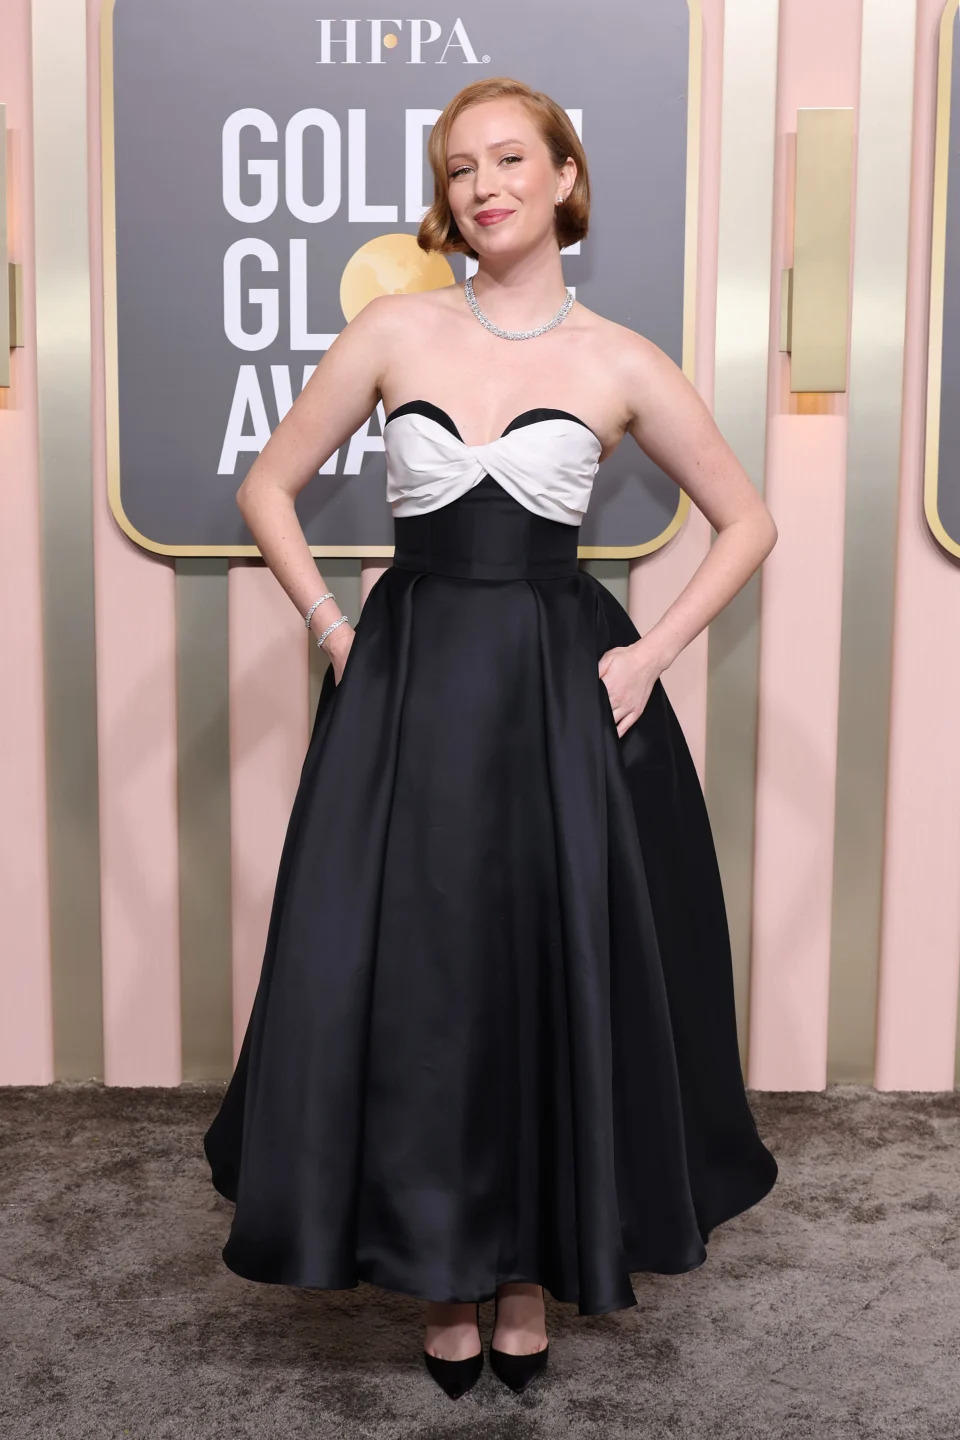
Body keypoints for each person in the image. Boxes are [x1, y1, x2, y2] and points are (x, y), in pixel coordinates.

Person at [203, 75, 780, 1402]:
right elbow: (267, 483)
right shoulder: (396, 332)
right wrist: (331, 625)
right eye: (461, 168)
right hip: (408, 689)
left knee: (542, 972)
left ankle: (528, 1275)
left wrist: (651, 650)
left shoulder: (622, 358)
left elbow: (746, 518)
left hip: (553, 690)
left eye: (509, 159)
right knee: (422, 983)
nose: (484, 185)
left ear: (565, 176)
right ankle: (443, 1267)